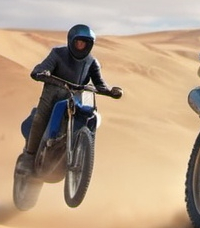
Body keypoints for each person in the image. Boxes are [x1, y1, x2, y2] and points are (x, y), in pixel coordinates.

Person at [16, 24, 122, 175]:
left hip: (77, 98)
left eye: (84, 43)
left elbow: (100, 84)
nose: (81, 46)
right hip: (52, 95)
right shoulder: (58, 54)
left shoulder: (92, 62)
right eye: (78, 42)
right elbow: (42, 68)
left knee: (90, 116)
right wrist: (42, 72)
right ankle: (29, 157)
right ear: (71, 41)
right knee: (40, 118)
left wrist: (111, 91)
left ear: (89, 45)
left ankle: (82, 153)